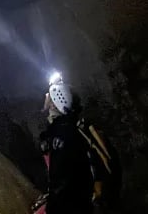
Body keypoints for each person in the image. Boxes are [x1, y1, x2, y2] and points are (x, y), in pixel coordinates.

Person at [37, 74, 120, 214]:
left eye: (48, 95)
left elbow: (61, 183)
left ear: (54, 103)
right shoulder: (74, 129)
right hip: (83, 203)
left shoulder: (61, 136)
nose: (45, 96)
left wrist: (51, 208)